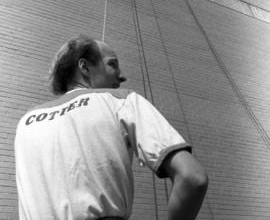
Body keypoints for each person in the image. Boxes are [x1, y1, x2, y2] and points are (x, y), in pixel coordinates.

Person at [15, 35, 208, 220]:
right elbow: (192, 178)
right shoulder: (122, 101)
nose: (121, 77)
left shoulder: (26, 122)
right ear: (85, 67)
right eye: (112, 64)